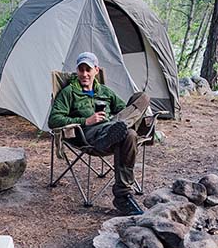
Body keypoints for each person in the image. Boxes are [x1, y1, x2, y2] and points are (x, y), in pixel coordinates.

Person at [49, 52, 152, 216]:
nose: (84, 74)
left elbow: (123, 110)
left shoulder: (105, 91)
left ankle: (122, 195)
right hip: (89, 135)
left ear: (96, 70)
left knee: (141, 99)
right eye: (81, 70)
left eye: (88, 70)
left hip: (113, 128)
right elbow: (53, 120)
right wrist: (86, 121)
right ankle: (123, 195)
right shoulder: (69, 92)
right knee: (129, 134)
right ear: (77, 71)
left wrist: (117, 120)